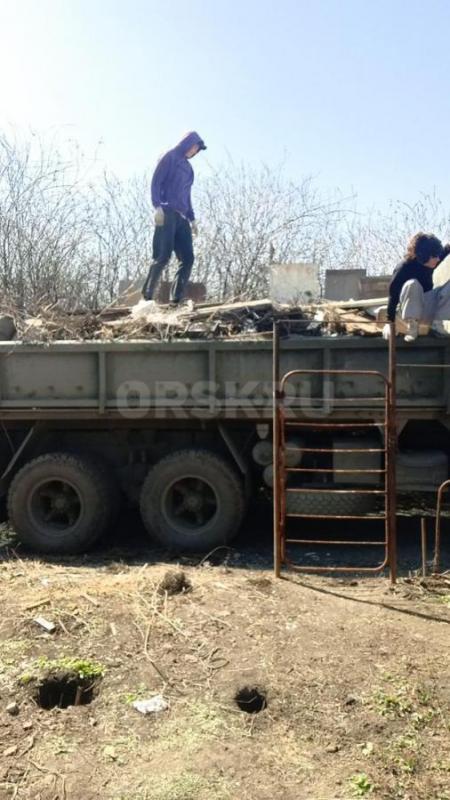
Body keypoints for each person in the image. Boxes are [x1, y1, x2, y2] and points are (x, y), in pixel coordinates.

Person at [142, 131, 207, 305]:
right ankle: (147, 296)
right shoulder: (170, 157)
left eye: (197, 149)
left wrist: (192, 218)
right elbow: (156, 181)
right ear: (187, 143)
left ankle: (176, 299)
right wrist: (157, 206)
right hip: (167, 211)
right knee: (162, 256)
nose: (194, 151)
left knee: (188, 258)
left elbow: (187, 195)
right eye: (193, 147)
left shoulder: (189, 169)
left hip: (182, 217)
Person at [383, 233, 450, 342]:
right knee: (413, 284)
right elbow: (393, 295)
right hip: (407, 310)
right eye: (435, 256)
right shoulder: (404, 267)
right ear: (424, 255)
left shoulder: (430, 262)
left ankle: (437, 324)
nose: (438, 259)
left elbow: (445, 251)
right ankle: (412, 327)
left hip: (426, 309)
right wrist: (389, 322)